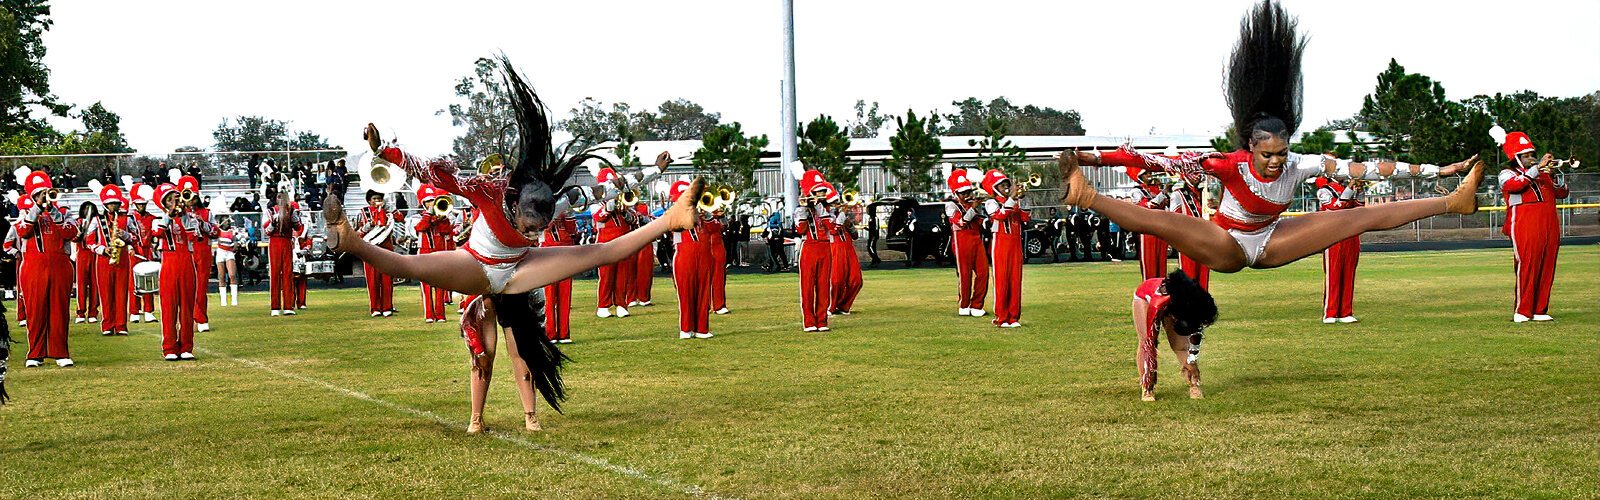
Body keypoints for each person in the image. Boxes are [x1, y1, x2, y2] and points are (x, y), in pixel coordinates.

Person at [319, 56, 705, 415]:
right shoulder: (489, 191)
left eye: (538, 229)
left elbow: (607, 190)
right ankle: (350, 239)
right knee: (409, 265)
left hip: (520, 270)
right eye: (526, 226)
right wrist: (385, 151)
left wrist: (651, 173)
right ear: (515, 204)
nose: (530, 232)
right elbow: (436, 174)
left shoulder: (554, 205)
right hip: (477, 265)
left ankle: (671, 218)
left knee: (604, 252)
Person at [1053, 0, 1481, 275]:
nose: (1277, 162)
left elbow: (1371, 168)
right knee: (1163, 222)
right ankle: (1086, 195)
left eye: (1282, 153)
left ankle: (1453, 200)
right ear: (1249, 146)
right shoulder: (1226, 163)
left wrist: (1439, 171)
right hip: (1227, 246)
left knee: (1359, 218)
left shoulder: (1302, 163)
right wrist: (1092, 160)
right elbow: (1155, 162)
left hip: (1272, 242)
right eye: (1268, 155)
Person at [1494, 128, 1569, 323]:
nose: (1531, 158)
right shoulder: (1507, 173)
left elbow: (1562, 193)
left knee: (1547, 264)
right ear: (1516, 157)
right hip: (1524, 221)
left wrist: (1554, 175)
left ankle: (1540, 310)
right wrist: (1536, 170)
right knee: (1527, 264)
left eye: (1532, 155)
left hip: (1549, 221)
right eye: (1525, 155)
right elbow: (1514, 186)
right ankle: (1522, 310)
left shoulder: (1543, 174)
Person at [15, 169, 78, 367]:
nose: (45, 197)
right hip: (34, 265)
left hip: (60, 264)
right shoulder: (24, 213)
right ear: (32, 196)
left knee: (59, 309)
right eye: (40, 194)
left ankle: (60, 352)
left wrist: (53, 212)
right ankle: (35, 354)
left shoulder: (64, 212)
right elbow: (23, 231)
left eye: (47, 192)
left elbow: (72, 233)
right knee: (35, 310)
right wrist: (36, 209)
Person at [150, 178, 218, 360]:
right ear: (164, 203)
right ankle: (169, 348)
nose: (176, 201)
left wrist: (188, 218)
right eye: (171, 199)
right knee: (169, 307)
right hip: (169, 263)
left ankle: (187, 346)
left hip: (186, 262)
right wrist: (170, 214)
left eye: (176, 198)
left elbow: (195, 238)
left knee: (187, 306)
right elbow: (157, 232)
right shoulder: (158, 219)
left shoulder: (188, 218)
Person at [1132, 270, 1218, 402]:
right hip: (1146, 300)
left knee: (1181, 347)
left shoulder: (1195, 299)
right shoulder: (1158, 301)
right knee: (1147, 342)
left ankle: (1194, 384)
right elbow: (1149, 343)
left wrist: (1192, 360)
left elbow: (1195, 334)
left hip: (1175, 303)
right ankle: (1147, 387)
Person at [84, 184, 140, 336]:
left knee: (121, 293)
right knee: (105, 293)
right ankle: (107, 325)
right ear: (105, 204)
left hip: (122, 259)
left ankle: (121, 325)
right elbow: (89, 242)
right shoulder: (96, 220)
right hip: (103, 260)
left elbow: (136, 238)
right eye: (110, 203)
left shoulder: (127, 220)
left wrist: (125, 235)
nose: (113, 206)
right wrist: (103, 249)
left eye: (116, 203)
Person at [982, 170, 1029, 328]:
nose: (1007, 188)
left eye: (1007, 185)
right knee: (1002, 280)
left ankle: (1013, 317)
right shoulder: (991, 202)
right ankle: (1001, 317)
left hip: (1015, 242)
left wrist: (1020, 200)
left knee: (1016, 280)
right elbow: (999, 215)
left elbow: (1025, 218)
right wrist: (1011, 199)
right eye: (1002, 185)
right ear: (995, 188)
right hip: (1001, 242)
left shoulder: (1013, 201)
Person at [670, 180, 714, 339]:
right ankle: (686, 328)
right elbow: (675, 226)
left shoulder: (701, 214)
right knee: (686, 292)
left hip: (704, 254)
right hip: (684, 255)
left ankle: (702, 328)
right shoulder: (673, 213)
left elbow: (717, 228)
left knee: (703, 290)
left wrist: (709, 216)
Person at [1315, 176, 1363, 323]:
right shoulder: (1324, 190)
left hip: (1351, 235)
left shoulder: (1346, 188)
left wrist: (1360, 191)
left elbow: (1360, 208)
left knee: (1349, 273)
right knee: (1333, 275)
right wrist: (1349, 188)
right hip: (1333, 236)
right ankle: (1330, 313)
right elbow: (1336, 207)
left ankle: (1346, 312)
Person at [592, 167, 637, 319]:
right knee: (606, 275)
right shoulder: (596, 201)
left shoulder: (621, 200)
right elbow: (597, 218)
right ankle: (603, 305)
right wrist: (607, 208)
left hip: (623, 241)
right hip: (605, 243)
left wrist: (625, 212)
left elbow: (634, 219)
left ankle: (621, 304)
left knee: (622, 275)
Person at [794, 171, 836, 332]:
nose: (822, 194)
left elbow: (831, 227)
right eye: (819, 192)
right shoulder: (801, 209)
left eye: (823, 191)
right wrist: (804, 209)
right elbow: (801, 229)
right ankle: (809, 321)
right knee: (807, 286)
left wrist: (820, 206)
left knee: (824, 285)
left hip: (825, 247)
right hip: (809, 247)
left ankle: (822, 320)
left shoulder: (827, 209)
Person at [945, 169, 989, 317]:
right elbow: (961, 222)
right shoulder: (950, 206)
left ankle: (977, 305)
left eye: (968, 192)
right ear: (956, 194)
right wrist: (973, 207)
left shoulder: (972, 204)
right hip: (961, 240)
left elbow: (979, 221)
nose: (967, 196)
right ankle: (964, 305)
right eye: (963, 193)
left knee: (983, 272)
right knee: (965, 275)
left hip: (976, 239)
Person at [413, 185, 457, 323]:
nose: (431, 203)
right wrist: (429, 214)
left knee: (440, 285)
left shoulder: (442, 217)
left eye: (433, 200)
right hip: (425, 253)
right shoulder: (416, 217)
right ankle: (429, 315)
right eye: (428, 201)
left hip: (439, 253)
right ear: (423, 203)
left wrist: (442, 218)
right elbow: (421, 227)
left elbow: (446, 231)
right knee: (426, 286)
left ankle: (440, 314)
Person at [355, 190, 401, 317]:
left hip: (386, 249)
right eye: (374, 199)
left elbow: (400, 218)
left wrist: (391, 209)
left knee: (387, 280)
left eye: (379, 198)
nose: (377, 201)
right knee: (372, 280)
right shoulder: (363, 213)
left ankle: (387, 307)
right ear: (369, 201)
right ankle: (375, 308)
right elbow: (357, 232)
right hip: (370, 250)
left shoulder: (388, 212)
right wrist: (366, 227)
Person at [262, 192, 302, 316]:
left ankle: (288, 306)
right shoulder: (270, 211)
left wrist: (293, 218)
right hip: (275, 241)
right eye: (279, 197)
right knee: (275, 273)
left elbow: (298, 228)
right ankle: (275, 306)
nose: (281, 200)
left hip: (286, 240)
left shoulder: (291, 210)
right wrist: (273, 224)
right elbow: (266, 231)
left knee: (288, 273)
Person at [541, 210, 577, 342]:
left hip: (565, 253)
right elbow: (541, 229)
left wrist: (568, 214)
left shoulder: (563, 211)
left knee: (565, 294)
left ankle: (564, 333)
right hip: (546, 254)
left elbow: (572, 231)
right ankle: (550, 333)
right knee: (549, 296)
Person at [1129, 170, 1171, 281]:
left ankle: (1161, 290)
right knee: (1149, 264)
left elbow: (1166, 206)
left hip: (1160, 229)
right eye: (1146, 174)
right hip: (1147, 231)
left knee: (1162, 264)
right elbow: (1147, 206)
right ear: (1140, 176)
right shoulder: (1136, 191)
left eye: (1150, 173)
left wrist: (1163, 191)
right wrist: (1163, 193)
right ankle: (1148, 290)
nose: (1150, 175)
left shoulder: (1154, 189)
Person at [829, 193, 862, 315]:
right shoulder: (825, 217)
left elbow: (855, 236)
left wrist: (849, 224)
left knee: (856, 280)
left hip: (848, 249)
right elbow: (831, 232)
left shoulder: (844, 217)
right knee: (836, 281)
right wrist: (838, 222)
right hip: (835, 248)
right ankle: (831, 307)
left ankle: (844, 306)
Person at [128, 186, 158, 323]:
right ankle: (134, 311)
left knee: (148, 281)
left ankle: (148, 311)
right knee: (133, 282)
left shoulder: (152, 218)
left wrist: (155, 241)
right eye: (139, 204)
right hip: (134, 252)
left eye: (143, 204)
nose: (141, 206)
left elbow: (155, 235)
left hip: (147, 252)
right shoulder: (130, 218)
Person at [73, 201, 102, 324]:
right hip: (82, 253)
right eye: (85, 208)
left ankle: (93, 312)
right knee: (81, 284)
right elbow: (73, 237)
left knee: (95, 284)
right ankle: (80, 312)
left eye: (90, 208)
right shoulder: (77, 221)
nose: (87, 211)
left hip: (94, 254)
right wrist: (78, 234)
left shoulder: (98, 221)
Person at [628, 200, 655, 308]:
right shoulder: (620, 207)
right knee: (629, 271)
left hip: (644, 240)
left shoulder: (643, 206)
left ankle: (644, 298)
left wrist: (643, 218)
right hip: (629, 240)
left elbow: (650, 221)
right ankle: (630, 298)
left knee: (645, 270)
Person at [704, 206, 729, 315]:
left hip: (717, 245)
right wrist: (709, 216)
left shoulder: (716, 211)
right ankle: (704, 306)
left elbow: (724, 227)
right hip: (703, 245)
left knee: (719, 277)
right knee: (703, 279)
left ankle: (719, 305)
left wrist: (722, 217)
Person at [213, 217, 243, 307]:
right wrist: (215, 228)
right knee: (221, 276)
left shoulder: (232, 231)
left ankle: (234, 300)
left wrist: (237, 245)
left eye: (229, 222)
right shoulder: (218, 231)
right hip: (220, 252)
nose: (228, 223)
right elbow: (212, 234)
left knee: (232, 275)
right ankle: (223, 301)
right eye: (226, 222)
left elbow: (239, 239)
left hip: (229, 252)